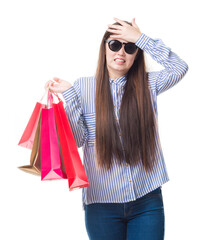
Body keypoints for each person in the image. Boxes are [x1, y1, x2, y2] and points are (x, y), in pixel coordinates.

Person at [46, 17, 188, 240]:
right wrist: (70, 96)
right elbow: (78, 140)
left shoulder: (148, 84)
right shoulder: (83, 87)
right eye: (114, 45)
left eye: (129, 47)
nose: (121, 52)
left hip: (147, 200)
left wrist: (141, 39)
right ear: (104, 49)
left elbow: (179, 67)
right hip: (102, 205)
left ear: (136, 54)